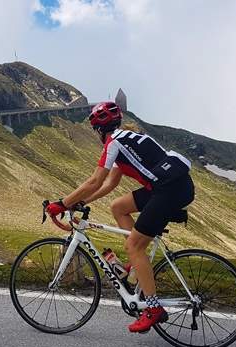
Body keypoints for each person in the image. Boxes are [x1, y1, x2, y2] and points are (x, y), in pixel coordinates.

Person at [45, 102, 195, 333]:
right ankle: (137, 267)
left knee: (133, 246)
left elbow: (95, 181)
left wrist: (62, 204)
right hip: (171, 185)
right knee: (118, 206)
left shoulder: (112, 142)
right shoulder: (128, 137)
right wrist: (80, 202)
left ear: (98, 129)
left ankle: (154, 309)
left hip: (168, 190)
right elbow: (109, 184)